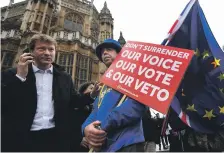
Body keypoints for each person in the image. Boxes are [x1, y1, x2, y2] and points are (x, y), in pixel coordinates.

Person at [1, 34, 95, 152]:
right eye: (41, 49)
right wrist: (19, 77)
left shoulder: (64, 77)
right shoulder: (12, 74)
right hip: (20, 139)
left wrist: (92, 95)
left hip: (55, 139)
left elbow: (73, 101)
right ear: (31, 51)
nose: (47, 53)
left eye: (51, 49)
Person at [82, 39, 146, 152]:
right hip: (106, 147)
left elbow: (136, 106)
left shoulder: (133, 74)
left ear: (120, 53)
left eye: (109, 49)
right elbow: (95, 111)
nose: (104, 53)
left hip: (127, 143)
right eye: (102, 52)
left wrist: (103, 125)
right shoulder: (104, 85)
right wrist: (86, 129)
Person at [71, 82, 95, 152]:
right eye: (91, 88)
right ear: (83, 90)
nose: (93, 90)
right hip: (75, 145)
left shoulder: (93, 107)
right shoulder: (75, 107)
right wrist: (79, 139)